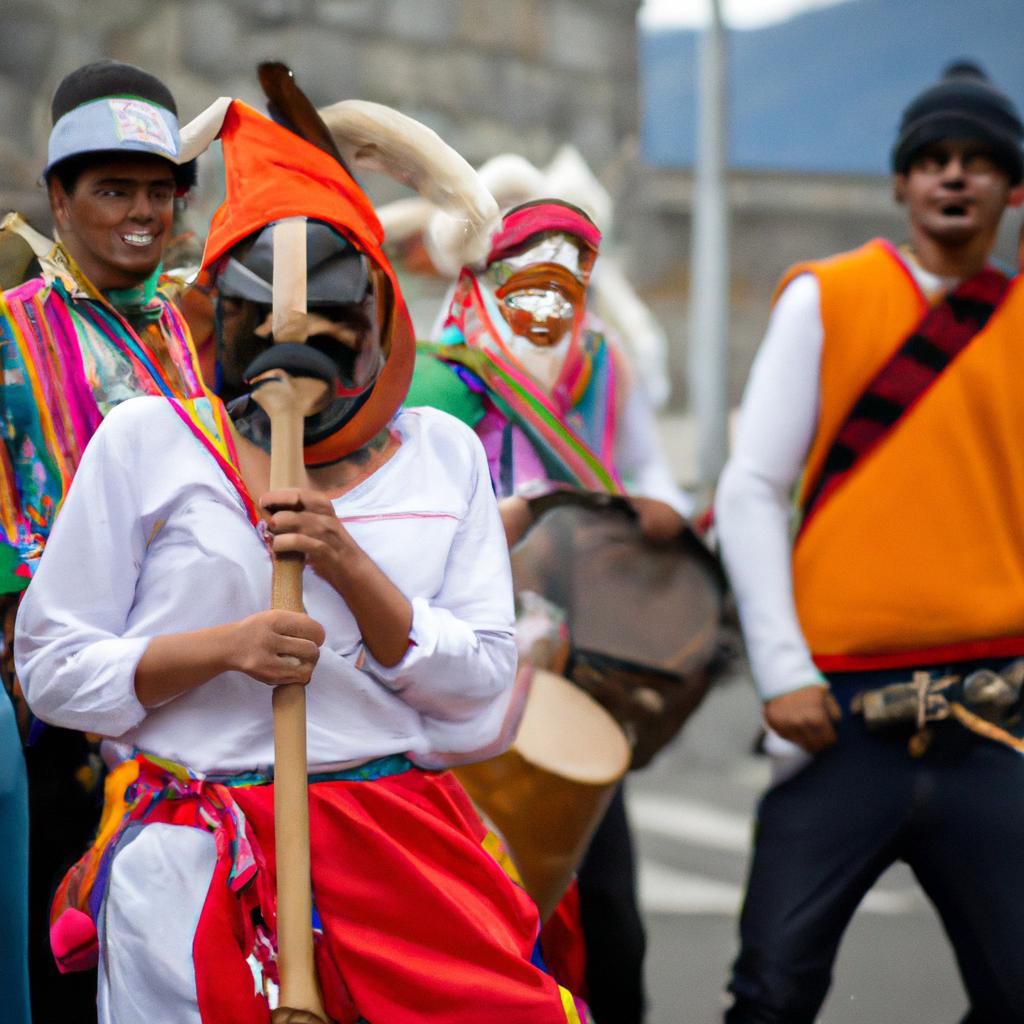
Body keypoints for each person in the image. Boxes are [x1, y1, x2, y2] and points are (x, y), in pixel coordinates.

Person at [16, 95, 589, 1024]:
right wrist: (223, 648)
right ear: (221, 324)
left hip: (402, 852)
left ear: (377, 321)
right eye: (267, 321)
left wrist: (353, 570)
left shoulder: (442, 452)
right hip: (196, 859)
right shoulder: (148, 441)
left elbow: (482, 689)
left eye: (331, 319)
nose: (299, 350)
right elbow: (52, 670)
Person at [715, 62, 1024, 1023]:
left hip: (996, 712)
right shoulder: (828, 296)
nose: (955, 177)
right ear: (900, 181)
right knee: (773, 989)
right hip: (833, 712)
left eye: (981, 161)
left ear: (1013, 189)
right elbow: (752, 489)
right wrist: (780, 672)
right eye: (934, 158)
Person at [408, 199, 693, 1023]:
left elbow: (646, 468)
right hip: (464, 685)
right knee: (478, 920)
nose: (546, 304)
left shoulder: (603, 366)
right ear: (486, 279)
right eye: (528, 277)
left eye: (568, 282)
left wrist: (656, 505)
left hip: (576, 677)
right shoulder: (433, 377)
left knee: (608, 924)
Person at [0, 59, 212, 1023]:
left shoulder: (206, 335)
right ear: (58, 198)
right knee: (54, 955)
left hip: (190, 695)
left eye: (158, 190)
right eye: (110, 188)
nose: (140, 211)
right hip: (46, 705)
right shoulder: (10, 335)